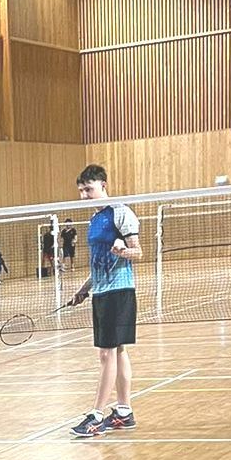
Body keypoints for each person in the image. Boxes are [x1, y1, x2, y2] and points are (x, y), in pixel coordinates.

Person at [68, 164, 142, 438]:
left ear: (103, 186)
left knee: (106, 353)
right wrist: (84, 289)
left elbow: (138, 252)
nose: (84, 196)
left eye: (88, 189)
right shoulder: (94, 219)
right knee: (118, 351)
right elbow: (98, 262)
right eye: (81, 191)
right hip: (101, 292)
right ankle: (124, 411)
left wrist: (123, 251)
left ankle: (97, 416)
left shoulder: (120, 212)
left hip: (118, 292)